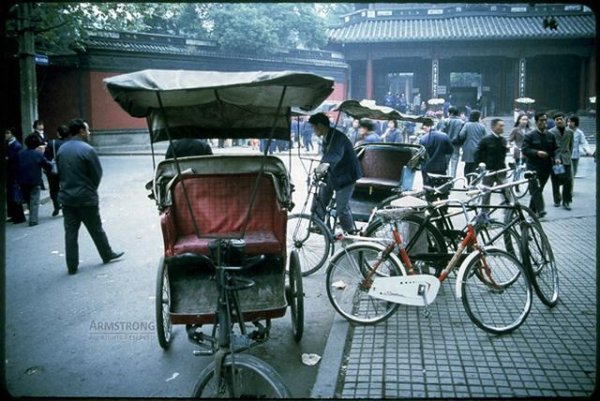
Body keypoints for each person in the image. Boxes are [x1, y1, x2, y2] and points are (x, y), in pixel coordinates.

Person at [56, 118, 124, 275]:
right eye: (87, 130)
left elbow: (59, 173)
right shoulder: (87, 150)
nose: (89, 132)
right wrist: (91, 188)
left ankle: (71, 265)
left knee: (70, 233)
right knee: (96, 228)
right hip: (86, 197)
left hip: (67, 198)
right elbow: (97, 174)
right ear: (81, 131)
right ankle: (106, 253)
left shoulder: (62, 149)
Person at [308, 112, 362, 234]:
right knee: (320, 196)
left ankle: (350, 231)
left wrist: (324, 166)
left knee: (341, 208)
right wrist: (318, 171)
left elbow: (335, 155)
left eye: (313, 127)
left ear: (320, 125)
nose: (313, 130)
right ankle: (319, 224)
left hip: (347, 175)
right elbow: (326, 156)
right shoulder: (327, 137)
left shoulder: (337, 138)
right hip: (334, 173)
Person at [521, 112, 558, 218]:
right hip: (533, 167)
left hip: (546, 168)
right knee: (535, 188)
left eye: (545, 120)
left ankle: (531, 211)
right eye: (541, 120)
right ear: (536, 122)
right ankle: (541, 210)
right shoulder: (530, 135)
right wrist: (537, 152)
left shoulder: (550, 135)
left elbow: (556, 149)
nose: (543, 122)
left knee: (539, 188)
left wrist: (557, 157)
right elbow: (525, 149)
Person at [17, 134, 53, 226]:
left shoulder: (20, 154)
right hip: (35, 180)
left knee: (28, 199)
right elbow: (46, 165)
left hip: (22, 180)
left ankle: (31, 214)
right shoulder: (38, 154)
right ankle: (33, 219)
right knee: (34, 200)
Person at [474, 119, 509, 205]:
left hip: (501, 170)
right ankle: (484, 214)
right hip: (489, 171)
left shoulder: (503, 140)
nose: (502, 128)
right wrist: (480, 166)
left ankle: (509, 211)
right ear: (493, 127)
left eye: (503, 126)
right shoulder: (486, 140)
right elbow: (477, 153)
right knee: (486, 193)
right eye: (500, 126)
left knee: (507, 191)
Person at [548, 112, 573, 210]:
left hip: (566, 159)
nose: (559, 121)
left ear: (564, 120)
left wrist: (568, 155)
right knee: (555, 180)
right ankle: (557, 199)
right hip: (555, 160)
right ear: (554, 121)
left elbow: (571, 145)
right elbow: (550, 147)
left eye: (561, 119)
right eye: (557, 119)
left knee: (568, 180)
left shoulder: (570, 132)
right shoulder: (550, 132)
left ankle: (566, 201)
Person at [453, 110, 487, 182]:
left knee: (467, 166)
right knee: (476, 166)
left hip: (468, 148)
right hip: (478, 149)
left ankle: (467, 181)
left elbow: (461, 135)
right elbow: (485, 138)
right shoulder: (482, 126)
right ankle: (474, 182)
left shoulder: (467, 125)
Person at [418, 118, 453, 185]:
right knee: (441, 186)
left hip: (427, 167)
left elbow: (420, 155)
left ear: (428, 127)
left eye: (424, 128)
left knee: (427, 187)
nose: (424, 130)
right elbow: (450, 151)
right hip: (441, 167)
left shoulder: (423, 139)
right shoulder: (444, 136)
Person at [44, 125, 69, 216]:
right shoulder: (71, 143)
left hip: (53, 170)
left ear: (58, 133)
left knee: (54, 189)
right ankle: (66, 205)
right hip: (67, 169)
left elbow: (46, 157)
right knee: (66, 188)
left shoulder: (52, 143)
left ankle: (56, 206)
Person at [5, 127, 26, 224]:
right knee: (11, 195)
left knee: (15, 195)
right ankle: (13, 215)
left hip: (14, 174)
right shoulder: (8, 144)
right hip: (10, 174)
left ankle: (18, 216)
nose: (5, 135)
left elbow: (16, 161)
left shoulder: (16, 146)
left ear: (12, 134)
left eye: (7, 133)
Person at [442, 106, 464, 177]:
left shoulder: (445, 121)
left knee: (446, 163)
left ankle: (445, 178)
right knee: (454, 162)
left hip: (446, 144)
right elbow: (462, 135)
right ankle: (452, 179)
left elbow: (441, 132)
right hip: (456, 145)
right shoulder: (461, 122)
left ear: (450, 113)